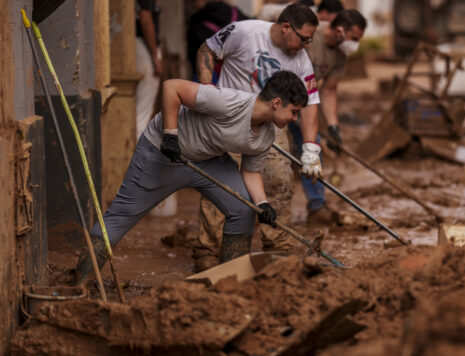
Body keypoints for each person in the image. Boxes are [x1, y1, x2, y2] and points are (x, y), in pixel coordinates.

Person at [72, 71, 309, 284]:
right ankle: (80, 282)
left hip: (209, 161)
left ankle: (231, 284)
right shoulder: (229, 101)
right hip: (163, 153)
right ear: (277, 103)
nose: (295, 119)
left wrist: (262, 204)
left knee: (244, 209)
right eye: (294, 112)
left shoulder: (266, 135)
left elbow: (251, 171)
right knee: (121, 215)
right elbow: (171, 87)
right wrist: (170, 136)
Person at [194, 3, 321, 271]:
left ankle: (278, 249)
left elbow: (310, 103)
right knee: (220, 186)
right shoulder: (244, 32)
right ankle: (207, 253)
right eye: (304, 38)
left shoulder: (300, 58)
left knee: (279, 184)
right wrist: (207, 91)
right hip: (229, 122)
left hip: (273, 127)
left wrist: (310, 148)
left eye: (310, 40)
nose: (306, 45)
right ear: (286, 27)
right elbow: (207, 49)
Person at [289, 9, 366, 223]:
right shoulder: (311, 35)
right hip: (277, 99)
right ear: (340, 30)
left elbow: (329, 90)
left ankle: (316, 206)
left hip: (304, 103)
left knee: (314, 145)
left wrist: (333, 127)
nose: (356, 44)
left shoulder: (341, 53)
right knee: (273, 153)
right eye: (355, 38)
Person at [186, 1, 249, 83]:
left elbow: (193, 56)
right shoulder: (236, 12)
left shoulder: (196, 22)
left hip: (213, 76)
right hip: (241, 72)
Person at [135, 0, 162, 137]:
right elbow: (145, 19)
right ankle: (139, 150)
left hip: (139, 45)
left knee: (141, 107)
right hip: (142, 46)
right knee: (143, 109)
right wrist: (155, 56)